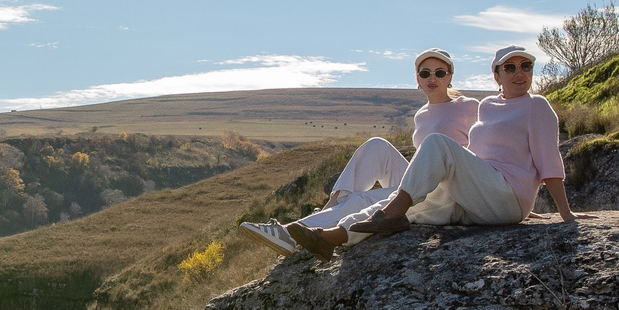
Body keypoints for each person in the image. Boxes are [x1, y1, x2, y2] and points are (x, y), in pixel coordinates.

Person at [286, 44, 573, 256]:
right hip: (478, 195)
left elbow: (548, 162)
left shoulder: (537, 106)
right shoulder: (488, 106)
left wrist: (562, 214)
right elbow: (475, 156)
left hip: (506, 196)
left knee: (436, 144)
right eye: (510, 67)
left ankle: (392, 210)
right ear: (497, 75)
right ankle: (332, 237)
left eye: (526, 66)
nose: (519, 73)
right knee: (409, 210)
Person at [241, 50, 479, 255]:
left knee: (360, 200)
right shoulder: (422, 115)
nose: (432, 78)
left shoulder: (469, 107)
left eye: (440, 72)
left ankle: (288, 234)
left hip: (445, 191)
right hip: (420, 183)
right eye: (425, 73)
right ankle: (332, 208)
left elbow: (484, 149)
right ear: (417, 79)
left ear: (450, 77)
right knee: (376, 145)